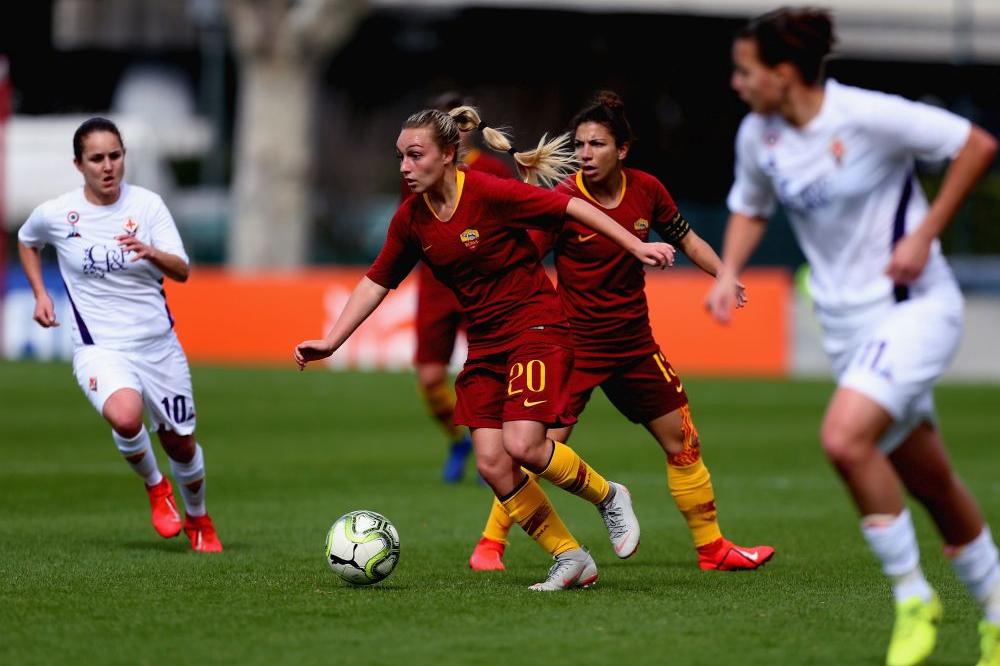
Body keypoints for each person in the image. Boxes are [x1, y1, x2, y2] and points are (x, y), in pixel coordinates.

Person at [705, 9, 999, 665]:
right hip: (846, 330)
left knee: (843, 437)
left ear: (783, 74)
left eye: (745, 71)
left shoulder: (866, 115)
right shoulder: (759, 135)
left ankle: (913, 598)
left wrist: (924, 236)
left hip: (914, 308)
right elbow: (751, 206)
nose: (736, 83)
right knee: (934, 484)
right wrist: (728, 272)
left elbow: (976, 144)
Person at [295, 105, 674, 590]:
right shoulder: (411, 219)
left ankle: (609, 497)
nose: (405, 168)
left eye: (415, 155)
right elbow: (376, 280)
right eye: (401, 157)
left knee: (523, 445)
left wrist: (636, 246)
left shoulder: (488, 191)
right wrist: (331, 341)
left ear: (448, 154)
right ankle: (571, 556)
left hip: (536, 325)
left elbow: (572, 207)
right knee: (494, 463)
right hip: (488, 343)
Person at [467, 91, 775, 573]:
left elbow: (687, 238)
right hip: (573, 349)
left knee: (684, 441)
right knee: (530, 452)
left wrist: (725, 272)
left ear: (622, 150)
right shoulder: (565, 199)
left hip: (634, 347)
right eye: (581, 144)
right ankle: (490, 544)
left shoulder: (648, 190)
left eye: (597, 144)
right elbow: (525, 256)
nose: (586, 153)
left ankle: (713, 549)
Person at [17, 117, 222, 553]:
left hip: (158, 346)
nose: (108, 166)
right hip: (100, 348)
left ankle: (199, 518)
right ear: (79, 164)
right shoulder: (58, 214)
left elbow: (183, 270)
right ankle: (155, 486)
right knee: (125, 416)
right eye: (97, 159)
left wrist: (152, 252)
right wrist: (40, 294)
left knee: (180, 443)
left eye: (115, 156)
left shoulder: (147, 206)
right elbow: (26, 240)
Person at [405, 92, 514, 484]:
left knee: (491, 372)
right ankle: (460, 440)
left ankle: (494, 448)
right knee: (431, 379)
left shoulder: (494, 172)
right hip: (436, 285)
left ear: (468, 128)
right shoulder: (418, 171)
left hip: (483, 283)